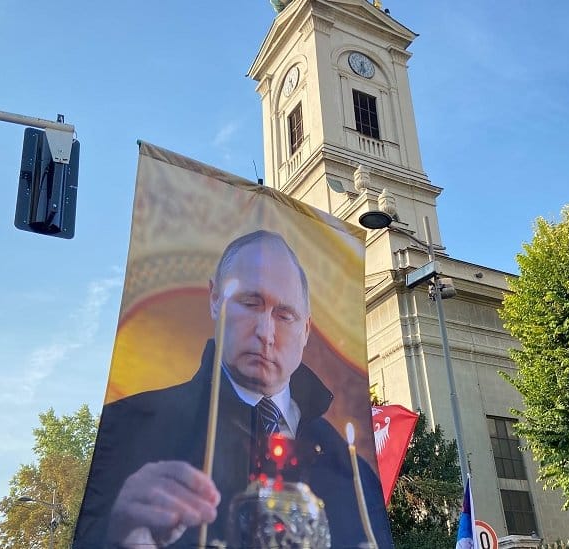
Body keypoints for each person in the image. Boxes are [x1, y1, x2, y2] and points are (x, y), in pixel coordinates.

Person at [74, 230, 392, 548]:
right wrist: (116, 536)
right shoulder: (132, 426)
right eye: (250, 303)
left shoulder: (350, 470)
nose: (266, 332)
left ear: (306, 329)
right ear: (215, 301)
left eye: (284, 315)